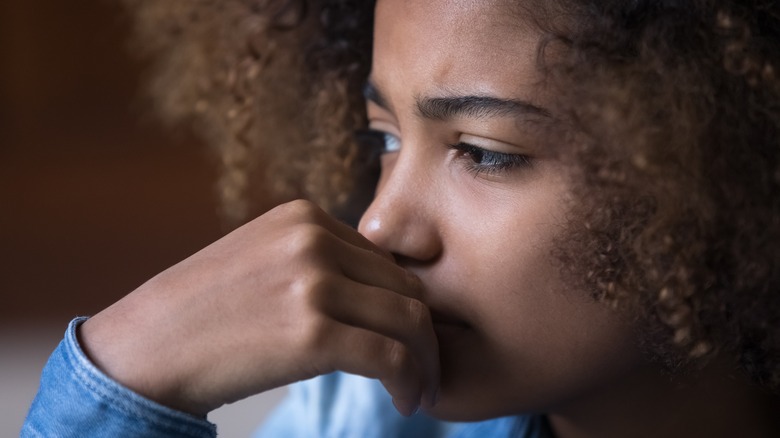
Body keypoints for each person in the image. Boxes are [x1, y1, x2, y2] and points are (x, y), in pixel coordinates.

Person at [22, 0, 780, 437]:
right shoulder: (362, 415)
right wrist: (127, 373)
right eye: (385, 138)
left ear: (723, 159)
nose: (380, 226)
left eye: (483, 152)